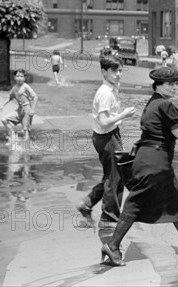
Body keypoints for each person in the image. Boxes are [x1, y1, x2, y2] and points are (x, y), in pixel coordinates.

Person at [100, 67, 178, 266]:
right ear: (159, 85)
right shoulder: (165, 106)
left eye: (177, 83)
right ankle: (113, 245)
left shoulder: (152, 103)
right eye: (171, 84)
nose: (175, 87)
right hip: (154, 161)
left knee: (172, 196)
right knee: (136, 202)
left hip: (151, 159)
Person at [76, 56, 136, 229]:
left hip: (110, 135)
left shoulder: (111, 88)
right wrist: (124, 114)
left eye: (120, 70)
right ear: (103, 72)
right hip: (107, 137)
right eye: (114, 71)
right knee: (115, 179)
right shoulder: (104, 93)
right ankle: (109, 219)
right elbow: (103, 121)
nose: (118, 74)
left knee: (113, 175)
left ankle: (87, 203)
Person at [0, 69, 38, 142]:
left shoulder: (26, 87)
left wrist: (32, 110)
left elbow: (35, 97)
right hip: (19, 110)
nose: (19, 78)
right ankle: (12, 136)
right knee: (4, 120)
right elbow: (10, 97)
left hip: (27, 110)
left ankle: (29, 147)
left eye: (22, 76)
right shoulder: (14, 87)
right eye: (18, 76)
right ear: (14, 77)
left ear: (24, 78)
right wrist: (2, 105)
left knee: (25, 130)